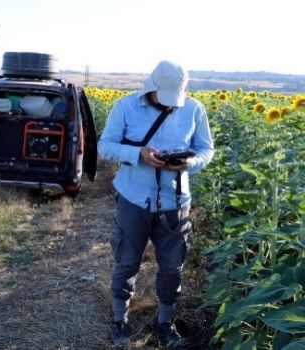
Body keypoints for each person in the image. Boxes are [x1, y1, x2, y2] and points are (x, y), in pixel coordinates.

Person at [98, 61, 214, 347]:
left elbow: (206, 149)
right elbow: (105, 146)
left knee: (173, 266)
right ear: (152, 87)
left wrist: (190, 163)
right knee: (127, 262)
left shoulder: (194, 109)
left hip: (176, 202)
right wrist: (139, 154)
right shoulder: (125, 107)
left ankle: (165, 322)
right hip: (134, 198)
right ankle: (119, 320)